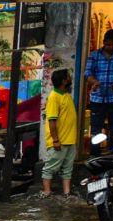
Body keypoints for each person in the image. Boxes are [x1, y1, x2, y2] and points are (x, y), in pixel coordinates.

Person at [43, 69, 77, 198]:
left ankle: (67, 192)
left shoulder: (66, 95)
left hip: (70, 140)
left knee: (68, 168)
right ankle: (46, 191)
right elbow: (52, 120)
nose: (70, 78)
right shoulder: (54, 97)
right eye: (68, 77)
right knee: (50, 167)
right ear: (64, 81)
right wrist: (55, 140)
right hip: (59, 141)